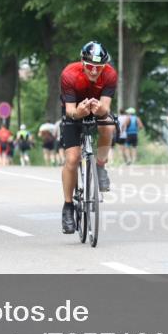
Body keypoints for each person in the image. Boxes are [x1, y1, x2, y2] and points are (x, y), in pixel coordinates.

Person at [59, 41, 117, 235]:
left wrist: (99, 109)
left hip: (96, 108)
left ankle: (100, 166)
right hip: (74, 110)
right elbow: (70, 111)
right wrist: (79, 112)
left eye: (98, 67)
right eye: (90, 66)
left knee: (108, 128)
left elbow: (106, 107)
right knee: (73, 159)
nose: (94, 71)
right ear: (83, 63)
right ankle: (68, 206)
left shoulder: (110, 74)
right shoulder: (69, 74)